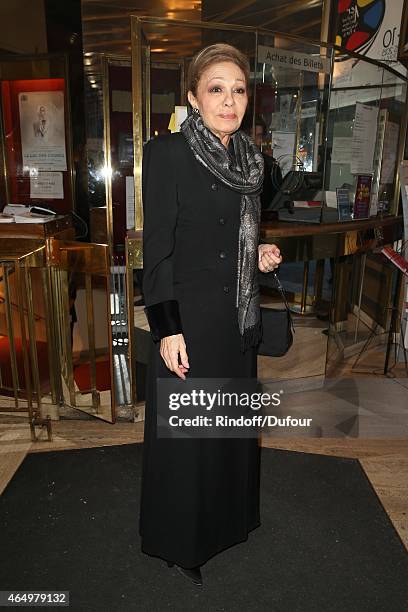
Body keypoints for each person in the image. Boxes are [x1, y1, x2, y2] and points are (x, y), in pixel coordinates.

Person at [139, 43, 282, 587]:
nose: (229, 100)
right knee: (190, 438)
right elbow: (160, 250)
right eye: (216, 88)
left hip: (236, 320)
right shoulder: (168, 153)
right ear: (195, 98)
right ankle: (181, 543)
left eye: (239, 89)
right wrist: (167, 327)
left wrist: (259, 253)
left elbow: (235, 236)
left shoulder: (252, 161)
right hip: (191, 320)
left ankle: (229, 522)